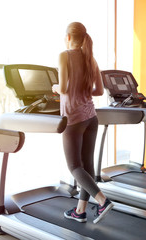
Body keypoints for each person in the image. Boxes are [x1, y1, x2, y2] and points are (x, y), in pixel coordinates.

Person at [52, 22, 113, 224]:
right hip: (91, 118)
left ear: (68, 37)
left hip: (73, 118)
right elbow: (99, 91)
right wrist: (83, 90)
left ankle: (102, 200)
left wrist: (54, 87)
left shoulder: (64, 55)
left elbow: (63, 87)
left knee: (74, 166)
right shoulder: (90, 58)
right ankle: (80, 211)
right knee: (87, 165)